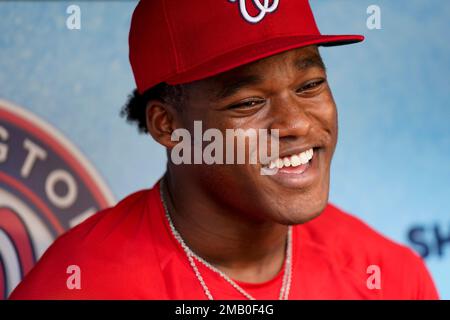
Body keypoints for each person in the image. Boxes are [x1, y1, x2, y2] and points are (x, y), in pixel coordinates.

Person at [10, 0, 438, 300]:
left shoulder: (390, 277)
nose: (296, 123)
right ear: (168, 125)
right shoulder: (81, 285)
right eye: (248, 102)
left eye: (310, 85)